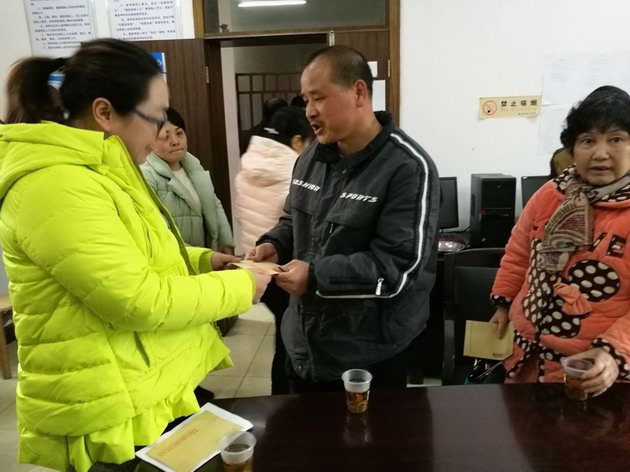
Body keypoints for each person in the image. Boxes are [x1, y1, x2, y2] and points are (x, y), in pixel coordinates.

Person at [0, 38, 270, 471]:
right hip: (103, 404)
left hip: (133, 386)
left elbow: (133, 250)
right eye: (155, 118)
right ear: (105, 112)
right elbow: (137, 298)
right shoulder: (54, 184)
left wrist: (201, 261)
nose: (162, 132)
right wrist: (240, 287)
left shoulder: (103, 169)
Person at [247, 45, 440, 393]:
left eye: (318, 98)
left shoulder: (408, 168)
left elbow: (398, 267)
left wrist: (316, 276)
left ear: (359, 92)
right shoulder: (309, 160)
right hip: (304, 344)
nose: (309, 111)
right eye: (305, 100)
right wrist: (274, 244)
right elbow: (293, 219)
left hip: (370, 356)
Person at [490, 85, 630, 397]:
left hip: (596, 370)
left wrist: (613, 352)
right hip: (526, 357)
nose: (600, 153)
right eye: (588, 140)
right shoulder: (550, 195)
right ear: (572, 148)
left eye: (616, 139)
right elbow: (519, 254)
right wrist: (504, 303)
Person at [235, 105, 314, 394]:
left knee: (283, 334)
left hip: (257, 261)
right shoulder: (295, 173)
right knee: (289, 341)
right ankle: (282, 397)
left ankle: (278, 396)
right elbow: (298, 225)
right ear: (297, 140)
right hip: (286, 268)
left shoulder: (247, 166)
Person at [142, 107, 234, 253]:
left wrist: (225, 244)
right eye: (165, 136)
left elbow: (213, 204)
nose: (175, 141)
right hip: (176, 258)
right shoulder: (146, 175)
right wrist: (202, 257)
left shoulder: (194, 166)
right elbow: (158, 228)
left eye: (179, 133)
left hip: (206, 258)